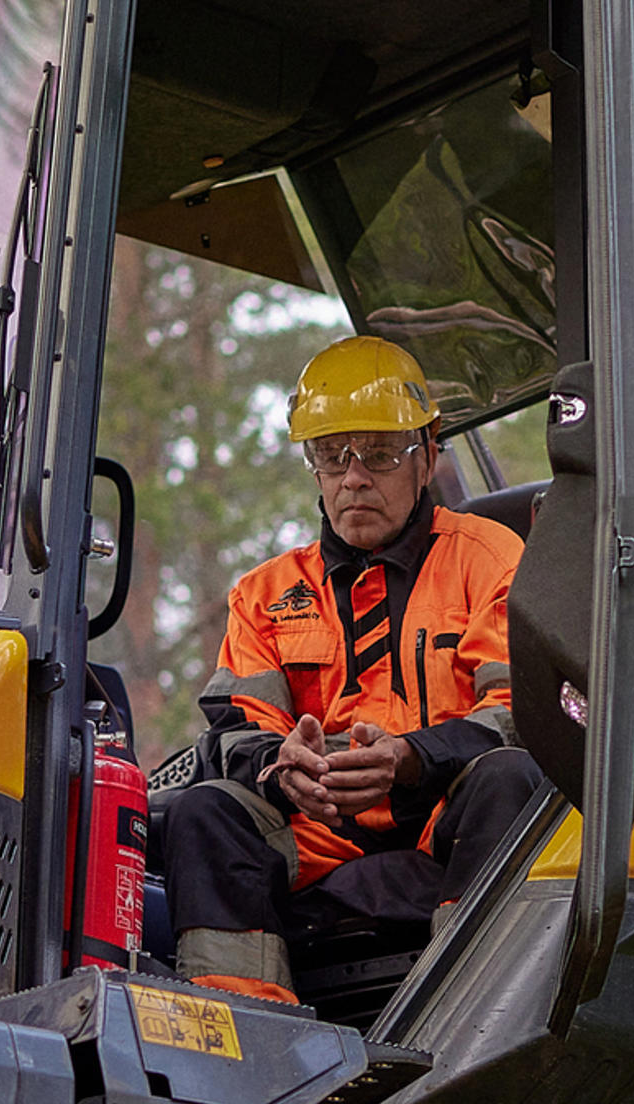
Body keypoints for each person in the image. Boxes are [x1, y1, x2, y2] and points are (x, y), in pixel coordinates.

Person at [156, 336, 544, 1004]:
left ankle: (472, 1010)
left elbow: (515, 712)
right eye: (333, 456)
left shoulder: (490, 558)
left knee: (511, 778)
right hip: (316, 833)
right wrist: (283, 764)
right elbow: (234, 731)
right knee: (204, 813)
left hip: (443, 820)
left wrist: (411, 758)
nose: (354, 477)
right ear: (313, 467)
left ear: (428, 453)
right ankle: (243, 1039)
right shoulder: (265, 593)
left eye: (380, 454)